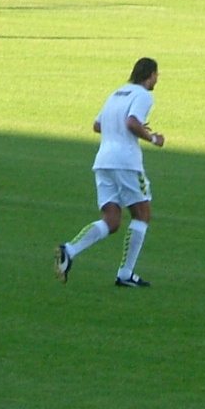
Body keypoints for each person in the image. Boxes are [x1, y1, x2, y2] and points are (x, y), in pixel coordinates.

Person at [55, 57, 164, 288]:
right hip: (126, 163)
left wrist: (125, 130)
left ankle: (70, 250)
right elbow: (132, 122)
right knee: (142, 214)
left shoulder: (117, 93)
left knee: (112, 221)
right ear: (150, 74)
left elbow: (97, 125)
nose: (157, 79)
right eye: (156, 75)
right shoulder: (144, 95)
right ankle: (125, 273)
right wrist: (152, 138)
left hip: (103, 161)